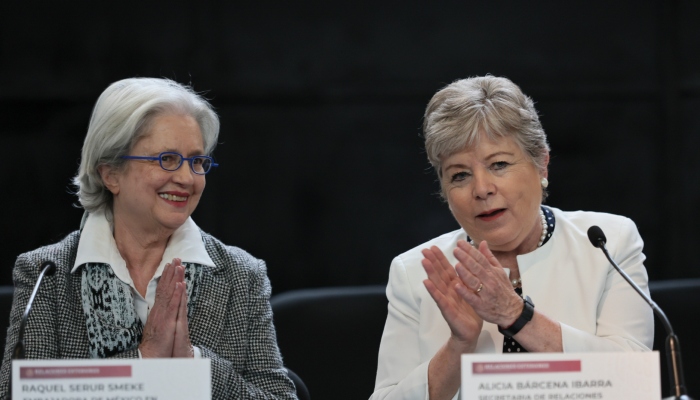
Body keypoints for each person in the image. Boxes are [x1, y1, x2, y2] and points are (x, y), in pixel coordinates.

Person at [0, 78, 298, 399]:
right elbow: (19, 395)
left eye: (197, 161)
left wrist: (193, 365)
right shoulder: (46, 273)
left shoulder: (243, 275)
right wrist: (145, 362)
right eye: (166, 159)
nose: (187, 178)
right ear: (111, 174)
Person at [371, 75, 653, 400]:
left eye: (499, 164)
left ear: (542, 165)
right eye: (459, 175)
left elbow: (634, 384)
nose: (481, 189)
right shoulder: (414, 273)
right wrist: (458, 347)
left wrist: (516, 315)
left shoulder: (608, 243)